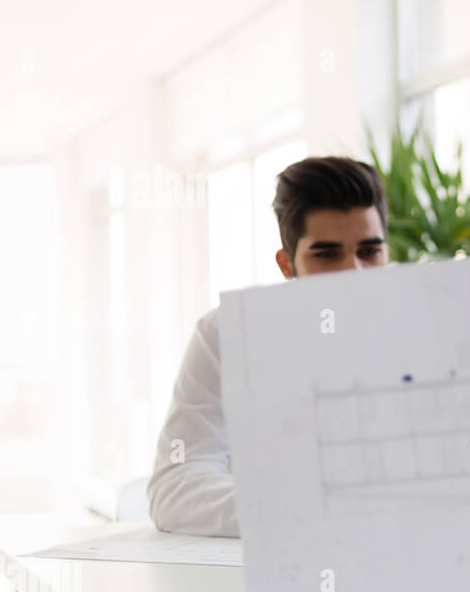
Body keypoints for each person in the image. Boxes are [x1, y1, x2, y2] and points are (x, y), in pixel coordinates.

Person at [147, 156, 390, 537]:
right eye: (327, 254)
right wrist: (295, 509)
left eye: (369, 251)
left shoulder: (435, 334)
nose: (353, 273)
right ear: (287, 265)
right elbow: (175, 486)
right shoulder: (226, 334)